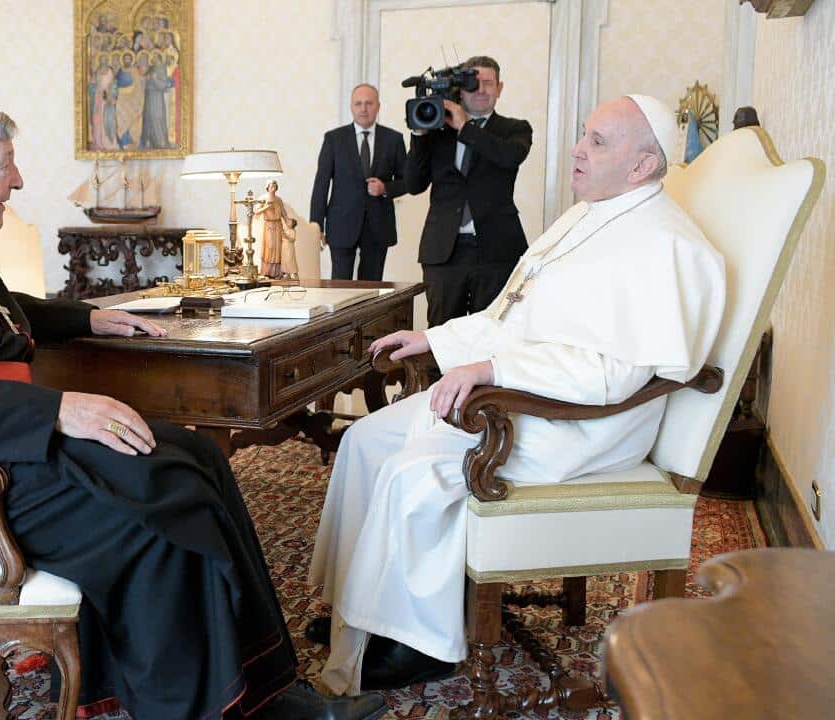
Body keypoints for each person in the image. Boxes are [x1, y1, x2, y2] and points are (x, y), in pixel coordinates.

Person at [0, 95, 387, 720]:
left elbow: (0, 318)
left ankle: (268, 684)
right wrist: (58, 411)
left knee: (198, 455)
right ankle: (208, 707)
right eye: (5, 162)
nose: (19, 179)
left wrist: (89, 316)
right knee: (161, 504)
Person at [305, 94, 727, 695]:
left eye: (597, 142)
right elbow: (513, 316)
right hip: (530, 390)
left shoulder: (667, 245)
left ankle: (413, 643)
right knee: (365, 440)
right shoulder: (586, 215)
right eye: (583, 134)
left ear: (642, 166)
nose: (577, 150)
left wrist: (491, 369)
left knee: (412, 473)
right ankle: (359, 610)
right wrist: (435, 338)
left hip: (584, 423)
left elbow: (616, 375)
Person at [407, 56, 533, 328]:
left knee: (489, 334)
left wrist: (465, 126)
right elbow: (414, 184)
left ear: (500, 88)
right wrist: (418, 135)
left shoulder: (515, 129)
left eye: (488, 83)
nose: (481, 89)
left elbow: (509, 157)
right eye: (473, 83)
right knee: (440, 335)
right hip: (444, 252)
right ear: (459, 89)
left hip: (496, 252)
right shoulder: (437, 132)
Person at [309, 84, 410, 281]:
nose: (364, 108)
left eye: (369, 103)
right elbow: (321, 184)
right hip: (341, 224)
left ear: (378, 106)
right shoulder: (334, 139)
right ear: (352, 107)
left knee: (371, 288)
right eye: (358, 103)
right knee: (339, 287)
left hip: (378, 225)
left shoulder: (394, 139)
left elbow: (408, 181)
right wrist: (316, 226)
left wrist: (385, 188)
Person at [253, 180, 297, 279]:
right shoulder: (263, 198)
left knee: (278, 248)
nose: (274, 187)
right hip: (269, 225)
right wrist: (266, 207)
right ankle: (267, 271)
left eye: (275, 185)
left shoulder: (278, 199)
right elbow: (256, 211)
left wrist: (289, 224)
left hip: (278, 225)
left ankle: (278, 272)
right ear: (267, 187)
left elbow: (284, 213)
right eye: (272, 185)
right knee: (270, 246)